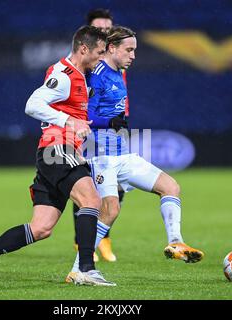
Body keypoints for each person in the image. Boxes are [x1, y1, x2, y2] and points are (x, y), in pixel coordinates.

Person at [0, 26, 116, 287]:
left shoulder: (81, 77)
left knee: (41, 228)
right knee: (92, 200)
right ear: (83, 49)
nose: (100, 58)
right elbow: (32, 105)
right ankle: (86, 269)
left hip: (57, 153)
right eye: (98, 52)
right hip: (57, 150)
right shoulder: (64, 74)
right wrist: (69, 121)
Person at [66, 26, 204, 284]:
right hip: (100, 154)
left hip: (122, 153)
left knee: (170, 186)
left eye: (135, 50)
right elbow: (83, 116)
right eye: (129, 49)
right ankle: (79, 268)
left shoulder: (119, 73)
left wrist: (115, 123)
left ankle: (175, 242)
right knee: (110, 209)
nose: (133, 55)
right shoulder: (96, 75)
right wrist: (111, 121)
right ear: (111, 48)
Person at [71, 8, 125, 263]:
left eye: (108, 27)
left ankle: (102, 238)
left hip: (114, 128)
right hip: (90, 129)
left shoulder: (118, 60)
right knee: (85, 186)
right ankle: (82, 242)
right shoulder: (88, 62)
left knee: (119, 186)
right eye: (100, 28)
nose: (105, 31)